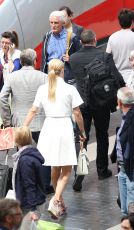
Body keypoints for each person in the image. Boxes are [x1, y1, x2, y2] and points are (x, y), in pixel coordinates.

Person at [24, 59, 85, 218]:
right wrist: (82, 131)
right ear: (63, 70)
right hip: (64, 127)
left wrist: (24, 127)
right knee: (66, 170)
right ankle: (56, 200)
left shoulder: (43, 89)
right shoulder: (69, 88)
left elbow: (33, 110)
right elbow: (77, 113)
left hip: (48, 127)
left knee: (54, 168)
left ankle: (61, 205)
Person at [69, 29, 125, 191]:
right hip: (101, 102)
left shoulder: (73, 58)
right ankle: (102, 170)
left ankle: (79, 171)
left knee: (82, 138)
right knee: (102, 135)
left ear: (81, 42)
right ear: (95, 39)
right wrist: (124, 90)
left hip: (83, 104)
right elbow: (115, 76)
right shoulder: (104, 56)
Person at [0, 49, 53, 194]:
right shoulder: (44, 77)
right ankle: (45, 186)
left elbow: (3, 98)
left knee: (22, 155)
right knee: (44, 155)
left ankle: (25, 183)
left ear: (21, 62)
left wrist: (7, 120)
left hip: (20, 124)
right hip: (41, 122)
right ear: (35, 61)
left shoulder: (11, 77)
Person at [0, 31, 21, 160]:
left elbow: (14, 72)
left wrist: (9, 55)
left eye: (7, 43)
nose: (3, 45)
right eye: (2, 42)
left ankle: (20, 150)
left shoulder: (17, 55)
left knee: (15, 122)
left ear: (12, 44)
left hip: (12, 94)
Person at [13, 126, 46, 222]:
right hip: (34, 201)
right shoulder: (31, 154)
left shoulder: (25, 160)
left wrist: (32, 210)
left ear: (17, 140)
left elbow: (29, 185)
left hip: (30, 205)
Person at [41, 10, 81, 85]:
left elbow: (80, 58)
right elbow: (44, 60)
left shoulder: (72, 37)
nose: (53, 25)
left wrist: (70, 59)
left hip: (67, 79)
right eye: (51, 22)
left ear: (62, 23)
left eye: (56, 23)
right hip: (51, 78)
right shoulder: (47, 37)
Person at [114, 87, 134, 215]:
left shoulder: (131, 119)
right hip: (123, 167)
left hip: (130, 168)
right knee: (125, 209)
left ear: (119, 102)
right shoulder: (126, 116)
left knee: (131, 207)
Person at [106, 8, 134, 84]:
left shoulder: (112, 37)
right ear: (132, 22)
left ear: (119, 22)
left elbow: (107, 57)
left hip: (118, 77)